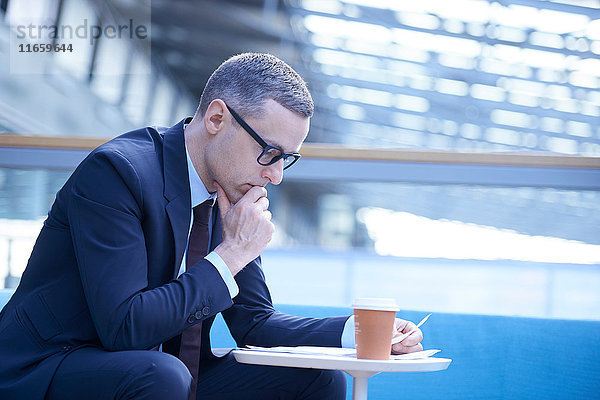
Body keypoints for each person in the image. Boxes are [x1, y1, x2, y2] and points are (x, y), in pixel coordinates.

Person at [0, 53, 423, 400]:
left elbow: (254, 323)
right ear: (217, 118)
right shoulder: (118, 172)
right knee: (161, 374)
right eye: (270, 152)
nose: (276, 176)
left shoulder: (230, 192)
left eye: (287, 158)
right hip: (52, 366)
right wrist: (234, 252)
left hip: (163, 373)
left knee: (317, 377)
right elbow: (123, 327)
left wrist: (360, 332)